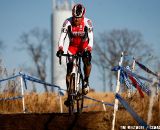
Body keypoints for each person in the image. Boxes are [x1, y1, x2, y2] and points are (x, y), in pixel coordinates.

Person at [56, 4, 93, 106]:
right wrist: (60, 49)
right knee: (68, 72)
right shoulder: (67, 22)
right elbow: (62, 37)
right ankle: (69, 96)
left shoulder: (87, 22)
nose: (76, 20)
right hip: (72, 47)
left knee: (87, 61)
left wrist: (89, 49)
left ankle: (86, 80)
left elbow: (91, 38)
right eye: (74, 17)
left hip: (84, 46)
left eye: (78, 18)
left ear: (83, 16)